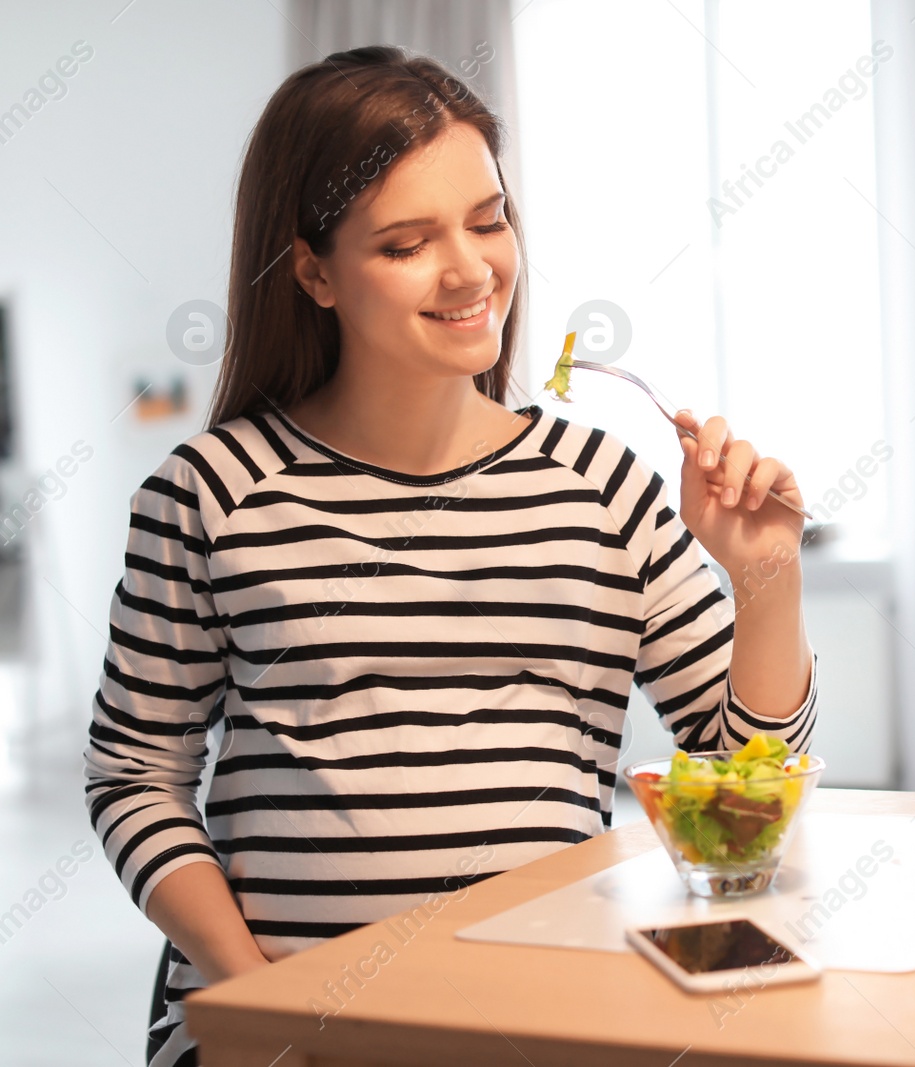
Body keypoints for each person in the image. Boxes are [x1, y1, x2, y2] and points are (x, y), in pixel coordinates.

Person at [82, 46, 816, 1067]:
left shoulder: (601, 484)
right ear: (312, 270)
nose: (472, 270)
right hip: (274, 1032)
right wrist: (261, 1001)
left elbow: (747, 793)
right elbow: (134, 774)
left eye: (487, 219)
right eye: (405, 242)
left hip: (536, 1022)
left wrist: (766, 576)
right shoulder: (209, 491)